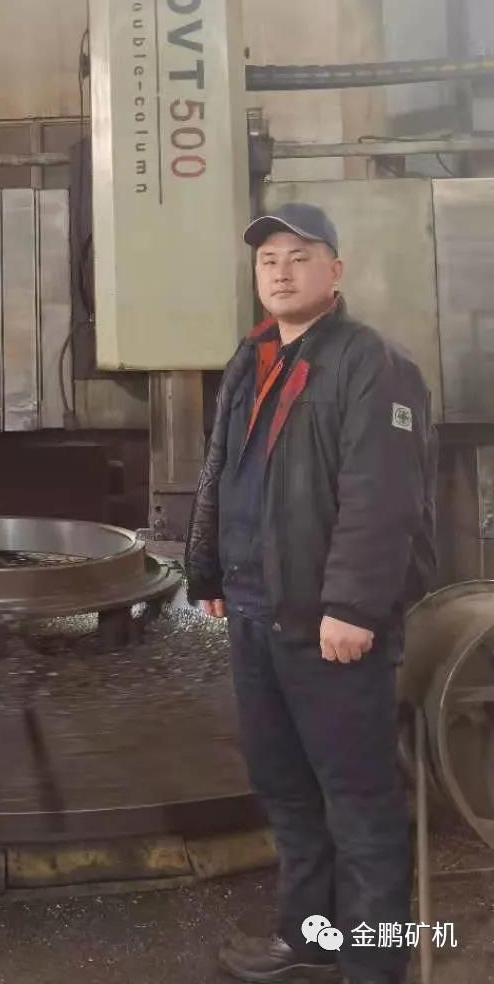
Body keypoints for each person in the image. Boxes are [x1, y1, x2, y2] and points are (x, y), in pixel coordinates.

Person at [184, 202, 436, 984]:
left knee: (360, 804)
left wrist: (353, 607)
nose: (281, 272)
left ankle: (375, 968)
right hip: (256, 614)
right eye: (268, 260)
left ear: (336, 270)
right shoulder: (254, 355)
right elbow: (222, 468)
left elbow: (381, 495)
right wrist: (208, 570)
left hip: (330, 623)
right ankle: (311, 938)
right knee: (287, 791)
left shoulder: (372, 363)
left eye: (300, 256)